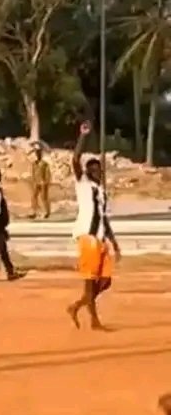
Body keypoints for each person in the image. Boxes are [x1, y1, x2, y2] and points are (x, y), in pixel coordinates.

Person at [66, 122, 121, 330]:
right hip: (87, 238)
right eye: (94, 169)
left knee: (105, 281)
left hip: (100, 239)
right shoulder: (83, 185)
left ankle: (77, 305)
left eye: (100, 170)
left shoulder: (100, 191)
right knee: (90, 282)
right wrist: (82, 136)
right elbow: (74, 159)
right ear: (88, 172)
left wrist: (114, 243)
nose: (98, 172)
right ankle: (95, 321)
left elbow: (104, 218)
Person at [30, 144, 51, 219]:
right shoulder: (34, 163)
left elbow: (48, 173)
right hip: (36, 182)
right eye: (36, 152)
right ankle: (34, 212)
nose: (37, 154)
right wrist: (33, 181)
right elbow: (33, 173)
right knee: (34, 197)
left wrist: (46, 182)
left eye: (38, 152)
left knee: (44, 197)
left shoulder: (45, 164)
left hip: (43, 182)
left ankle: (47, 212)